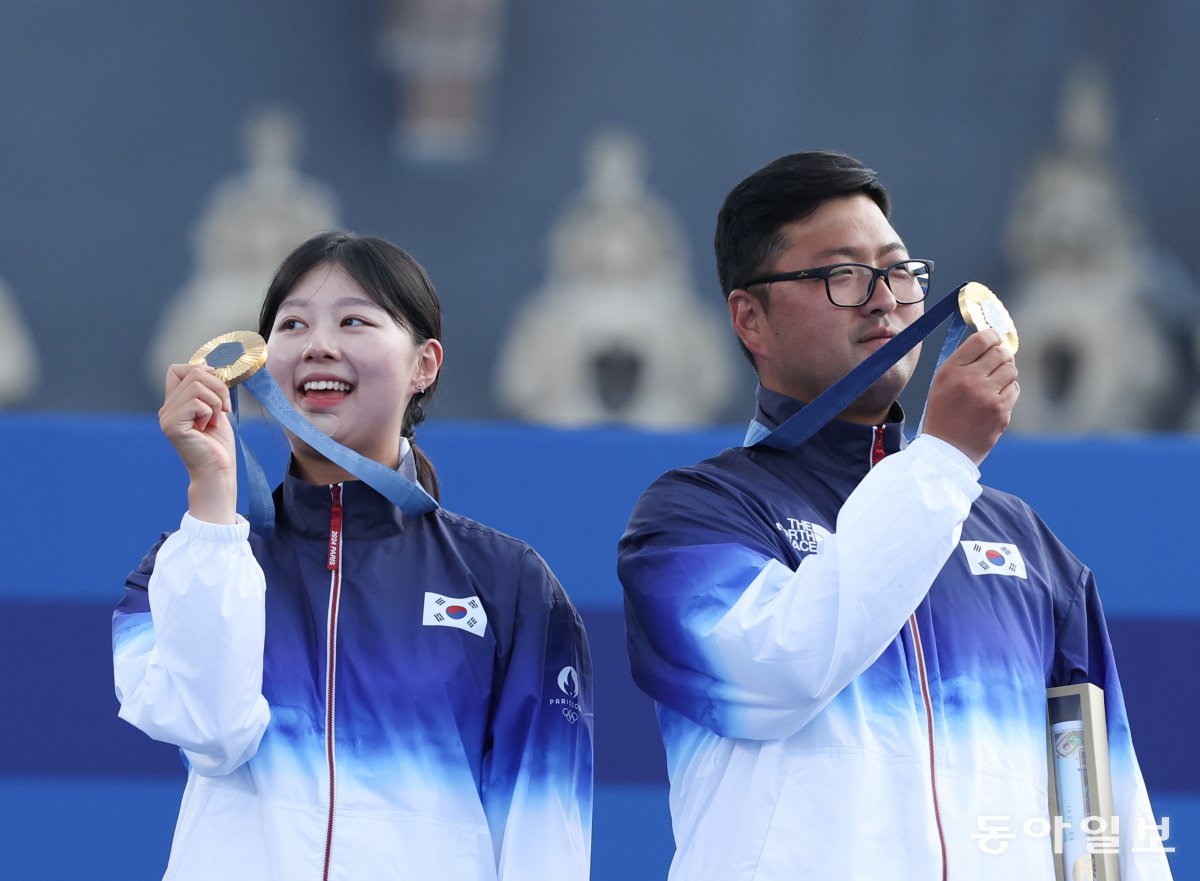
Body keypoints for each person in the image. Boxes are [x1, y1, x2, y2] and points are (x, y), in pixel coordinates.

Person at [617, 151, 1172, 879]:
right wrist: (940, 460)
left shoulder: (1028, 548)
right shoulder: (695, 517)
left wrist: (940, 469)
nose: (884, 298)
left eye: (899, 270)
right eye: (842, 274)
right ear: (750, 317)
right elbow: (777, 676)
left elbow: (1102, 819)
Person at [113, 232, 592, 881]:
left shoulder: (510, 585)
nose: (318, 344)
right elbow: (214, 732)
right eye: (293, 324)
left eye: (354, 321)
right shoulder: (183, 564)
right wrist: (212, 495)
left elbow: (544, 839)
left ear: (424, 364)